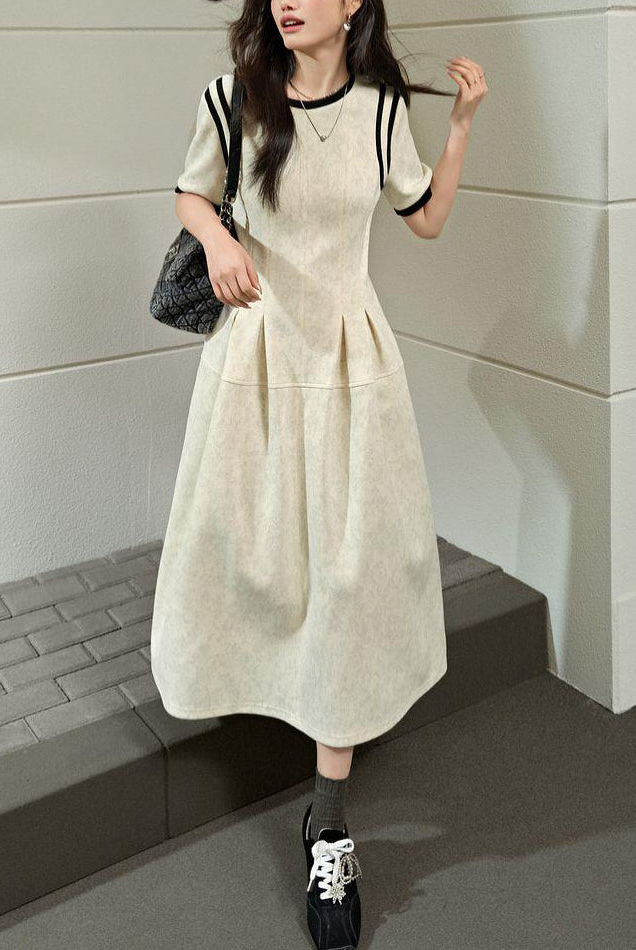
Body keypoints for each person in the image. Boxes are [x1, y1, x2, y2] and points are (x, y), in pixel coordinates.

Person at [150, 1, 487, 946]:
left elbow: (425, 220)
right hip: (254, 364)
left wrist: (461, 126)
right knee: (242, 553)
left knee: (346, 578)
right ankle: (260, 700)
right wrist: (219, 239)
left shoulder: (381, 112)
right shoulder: (233, 100)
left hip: (348, 367)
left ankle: (329, 827)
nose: (287, 1)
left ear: (353, 7)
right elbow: (191, 193)